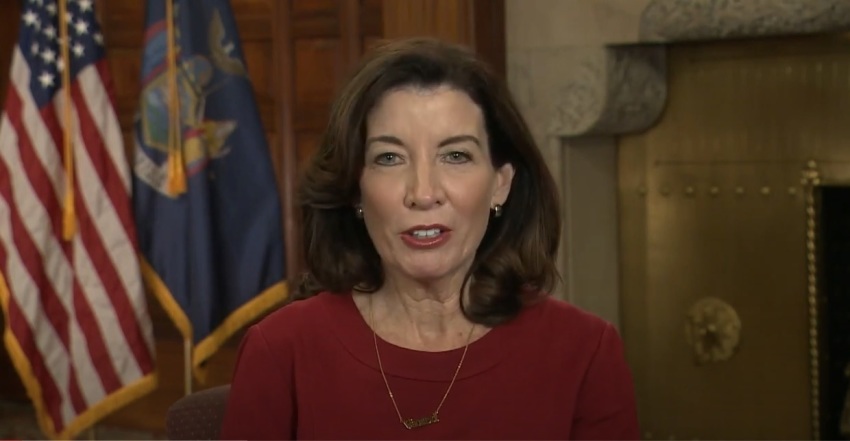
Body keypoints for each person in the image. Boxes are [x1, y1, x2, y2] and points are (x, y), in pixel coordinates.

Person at [220, 37, 640, 440]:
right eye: (389, 158)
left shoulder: (584, 352)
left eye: (455, 156)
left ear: (500, 184)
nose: (423, 193)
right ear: (354, 188)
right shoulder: (281, 351)